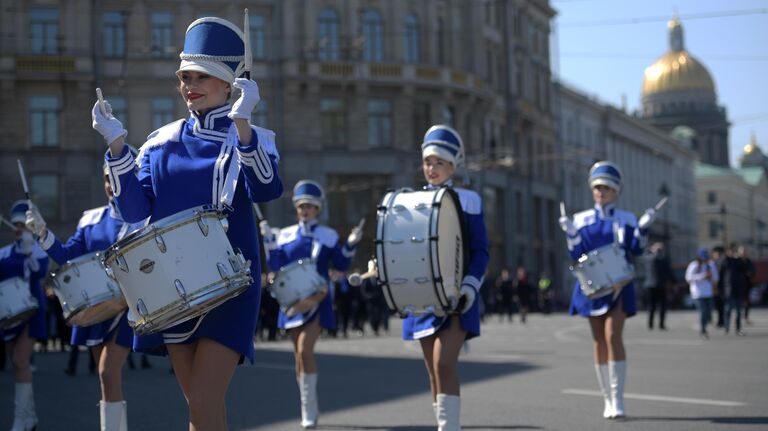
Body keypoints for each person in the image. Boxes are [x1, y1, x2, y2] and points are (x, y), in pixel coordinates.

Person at [93, 16, 283, 429]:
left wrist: (243, 125)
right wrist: (116, 146)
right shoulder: (161, 142)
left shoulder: (253, 137)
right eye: (184, 77)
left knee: (202, 399)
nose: (189, 86)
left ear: (228, 84)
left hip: (232, 283)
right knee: (202, 410)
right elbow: (132, 211)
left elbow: (267, 190)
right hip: (170, 287)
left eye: (201, 77)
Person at [25, 159, 144, 430]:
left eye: (117, 178)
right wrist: (43, 233)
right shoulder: (91, 220)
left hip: (130, 309)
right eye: (106, 179)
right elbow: (67, 256)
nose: (111, 185)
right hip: (97, 306)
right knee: (106, 381)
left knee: (107, 371)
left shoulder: (143, 220)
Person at [401, 125, 489, 430]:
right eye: (428, 162)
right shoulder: (410, 202)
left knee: (444, 362)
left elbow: (481, 252)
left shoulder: (469, 200)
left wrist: (470, 286)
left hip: (456, 296)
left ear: (453, 166)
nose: (432, 168)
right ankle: (444, 425)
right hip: (423, 298)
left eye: (439, 163)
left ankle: (450, 427)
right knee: (432, 370)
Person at [260, 180, 361, 428]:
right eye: (301, 206)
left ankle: (310, 410)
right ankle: (307, 406)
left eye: (310, 207)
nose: (305, 211)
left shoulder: (327, 236)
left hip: (318, 299)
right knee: (298, 356)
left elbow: (341, 265)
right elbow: (275, 265)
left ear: (318, 209)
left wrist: (350, 244)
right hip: (293, 302)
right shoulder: (285, 235)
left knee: (305, 350)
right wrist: (268, 241)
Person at [559, 161, 654, 419]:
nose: (601, 192)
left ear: (616, 192)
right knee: (599, 340)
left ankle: (618, 397)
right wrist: (571, 234)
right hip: (592, 286)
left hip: (619, 285)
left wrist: (642, 229)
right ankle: (607, 399)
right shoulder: (581, 219)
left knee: (614, 336)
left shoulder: (626, 219)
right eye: (598, 188)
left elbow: (635, 250)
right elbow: (576, 255)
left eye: (607, 188)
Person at [0, 201, 49, 431]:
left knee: (20, 359)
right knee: (17, 364)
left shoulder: (37, 249)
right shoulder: (5, 253)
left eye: (23, 224)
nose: (18, 228)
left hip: (32, 310)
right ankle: (30, 418)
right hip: (9, 313)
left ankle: (21, 419)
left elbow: (40, 272)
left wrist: (30, 249)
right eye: (16, 224)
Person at [686, 248, 718, 339]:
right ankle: (703, 330)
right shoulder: (694, 265)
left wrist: (712, 279)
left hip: (708, 292)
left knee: (709, 311)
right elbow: (688, 278)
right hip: (698, 293)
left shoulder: (710, 265)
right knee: (703, 312)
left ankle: (706, 324)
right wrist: (702, 276)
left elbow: (716, 277)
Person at [719, 243, 747, 335]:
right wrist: (721, 290)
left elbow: (745, 270)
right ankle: (726, 327)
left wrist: (741, 258)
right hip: (728, 289)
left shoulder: (738, 261)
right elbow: (721, 276)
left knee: (739, 311)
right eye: (731, 250)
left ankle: (738, 329)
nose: (733, 252)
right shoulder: (725, 261)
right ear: (728, 251)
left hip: (738, 289)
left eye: (734, 250)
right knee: (728, 310)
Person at [645, 243, 674, 330]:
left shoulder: (649, 259)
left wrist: (651, 250)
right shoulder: (663, 259)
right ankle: (659, 324)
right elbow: (669, 273)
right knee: (659, 306)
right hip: (659, 284)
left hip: (652, 284)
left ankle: (651, 324)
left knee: (653, 306)